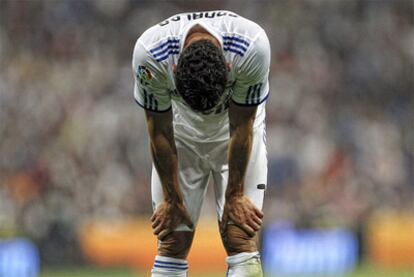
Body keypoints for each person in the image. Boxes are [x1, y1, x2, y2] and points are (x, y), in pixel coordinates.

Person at [132, 10, 270, 277]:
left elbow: (242, 126)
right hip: (180, 132)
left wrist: (236, 194)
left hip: (236, 129)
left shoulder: (252, 46)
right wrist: (171, 198)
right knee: (173, 240)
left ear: (229, 67)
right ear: (174, 69)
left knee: (239, 234)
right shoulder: (150, 55)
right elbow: (158, 129)